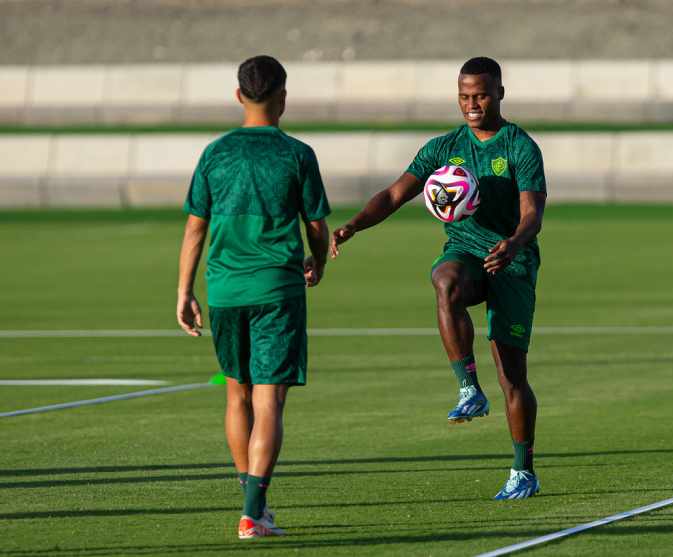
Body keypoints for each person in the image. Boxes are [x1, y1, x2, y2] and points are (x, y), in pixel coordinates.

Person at [331, 57, 546, 500]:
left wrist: (515, 243)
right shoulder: (443, 147)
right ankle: (468, 387)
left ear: (500, 93)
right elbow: (394, 194)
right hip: (466, 251)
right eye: (465, 96)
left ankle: (523, 470)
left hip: (512, 260)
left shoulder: (519, 146)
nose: (472, 104)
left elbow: (532, 213)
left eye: (481, 95)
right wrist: (352, 225)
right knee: (444, 279)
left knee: (512, 375)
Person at [176, 55, 331, 538]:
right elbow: (317, 226)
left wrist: (184, 289)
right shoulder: (297, 154)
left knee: (236, 393)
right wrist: (319, 261)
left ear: (238, 96)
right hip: (276, 289)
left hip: (223, 290)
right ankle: (253, 511)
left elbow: (195, 227)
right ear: (283, 97)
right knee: (270, 400)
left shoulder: (215, 154)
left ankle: (252, 504)